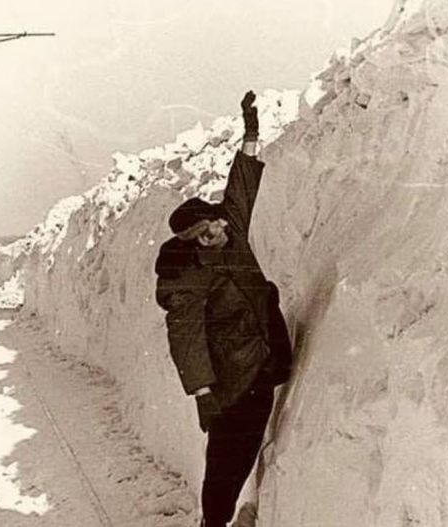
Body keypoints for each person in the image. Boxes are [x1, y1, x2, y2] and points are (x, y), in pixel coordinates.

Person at [154, 91, 293, 527]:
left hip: (262, 360)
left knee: (243, 452)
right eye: (197, 237)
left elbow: (243, 186)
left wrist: (251, 132)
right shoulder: (188, 274)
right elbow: (184, 334)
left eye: (209, 229)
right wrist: (203, 392)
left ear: (217, 219)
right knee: (225, 462)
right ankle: (214, 523)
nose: (208, 238)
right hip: (232, 379)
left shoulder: (231, 230)